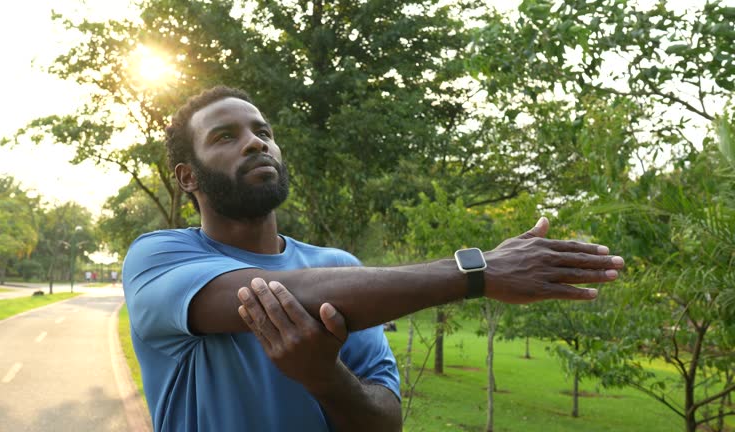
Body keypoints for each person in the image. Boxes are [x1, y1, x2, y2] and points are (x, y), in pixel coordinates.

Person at [122, 85, 625, 432]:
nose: (257, 142)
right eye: (225, 136)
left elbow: (386, 423)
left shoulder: (340, 266)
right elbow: (277, 295)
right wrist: (478, 270)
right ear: (188, 178)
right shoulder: (159, 257)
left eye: (263, 131)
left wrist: (324, 376)